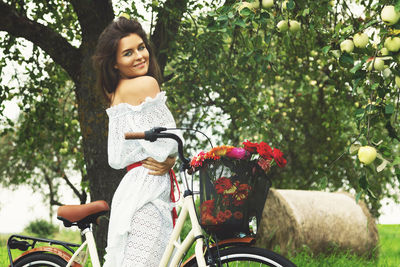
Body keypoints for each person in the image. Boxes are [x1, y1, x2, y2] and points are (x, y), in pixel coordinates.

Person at [92, 16, 180, 266]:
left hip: (136, 185)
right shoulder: (146, 84)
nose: (140, 56)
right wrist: (171, 158)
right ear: (115, 63)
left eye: (141, 47)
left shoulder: (117, 91)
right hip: (148, 188)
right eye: (128, 53)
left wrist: (167, 158)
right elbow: (169, 142)